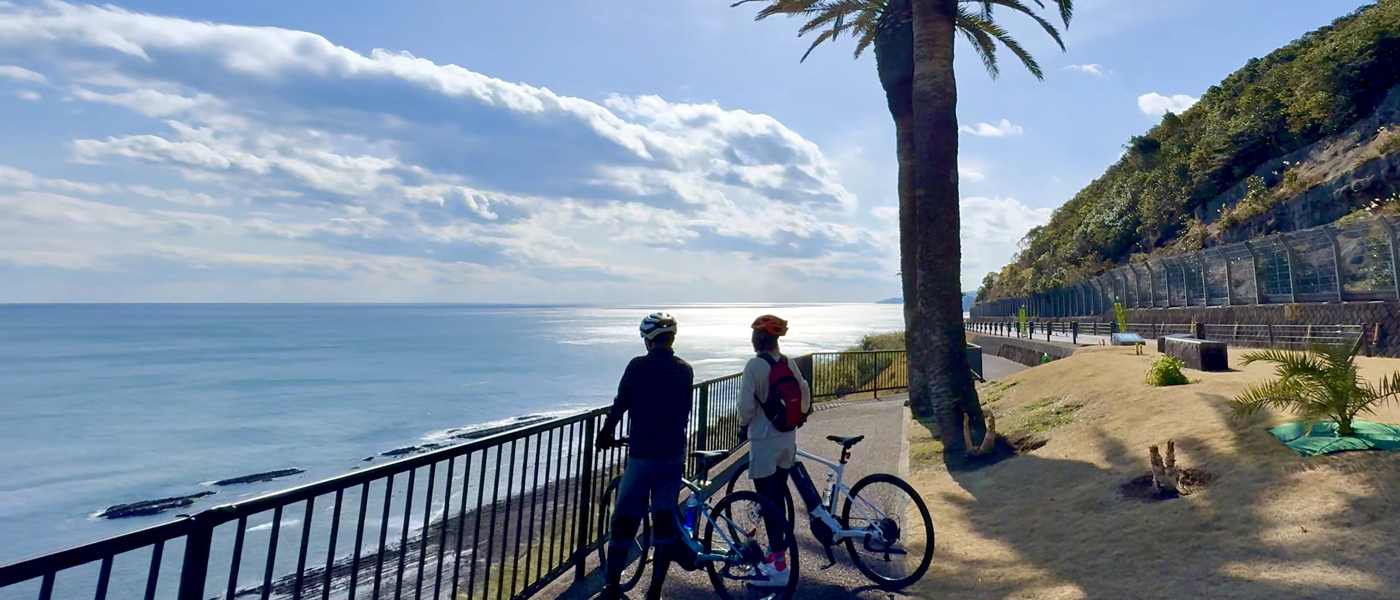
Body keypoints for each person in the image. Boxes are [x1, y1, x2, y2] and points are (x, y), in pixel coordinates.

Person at [595, 312, 694, 600]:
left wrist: (605, 433)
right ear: (671, 338)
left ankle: (613, 587)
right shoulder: (684, 369)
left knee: (625, 517)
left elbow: (621, 402)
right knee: (663, 517)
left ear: (648, 340)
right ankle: (654, 591)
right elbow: (684, 411)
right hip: (673, 451)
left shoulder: (638, 366)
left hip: (643, 452)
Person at [737, 314, 810, 588]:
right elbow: (804, 394)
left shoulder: (754, 366)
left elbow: (745, 408)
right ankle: (776, 557)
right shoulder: (788, 362)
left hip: (764, 442)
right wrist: (795, 418)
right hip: (787, 439)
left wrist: (744, 425)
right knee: (777, 498)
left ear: (757, 339)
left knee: (769, 503)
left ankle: (779, 567)